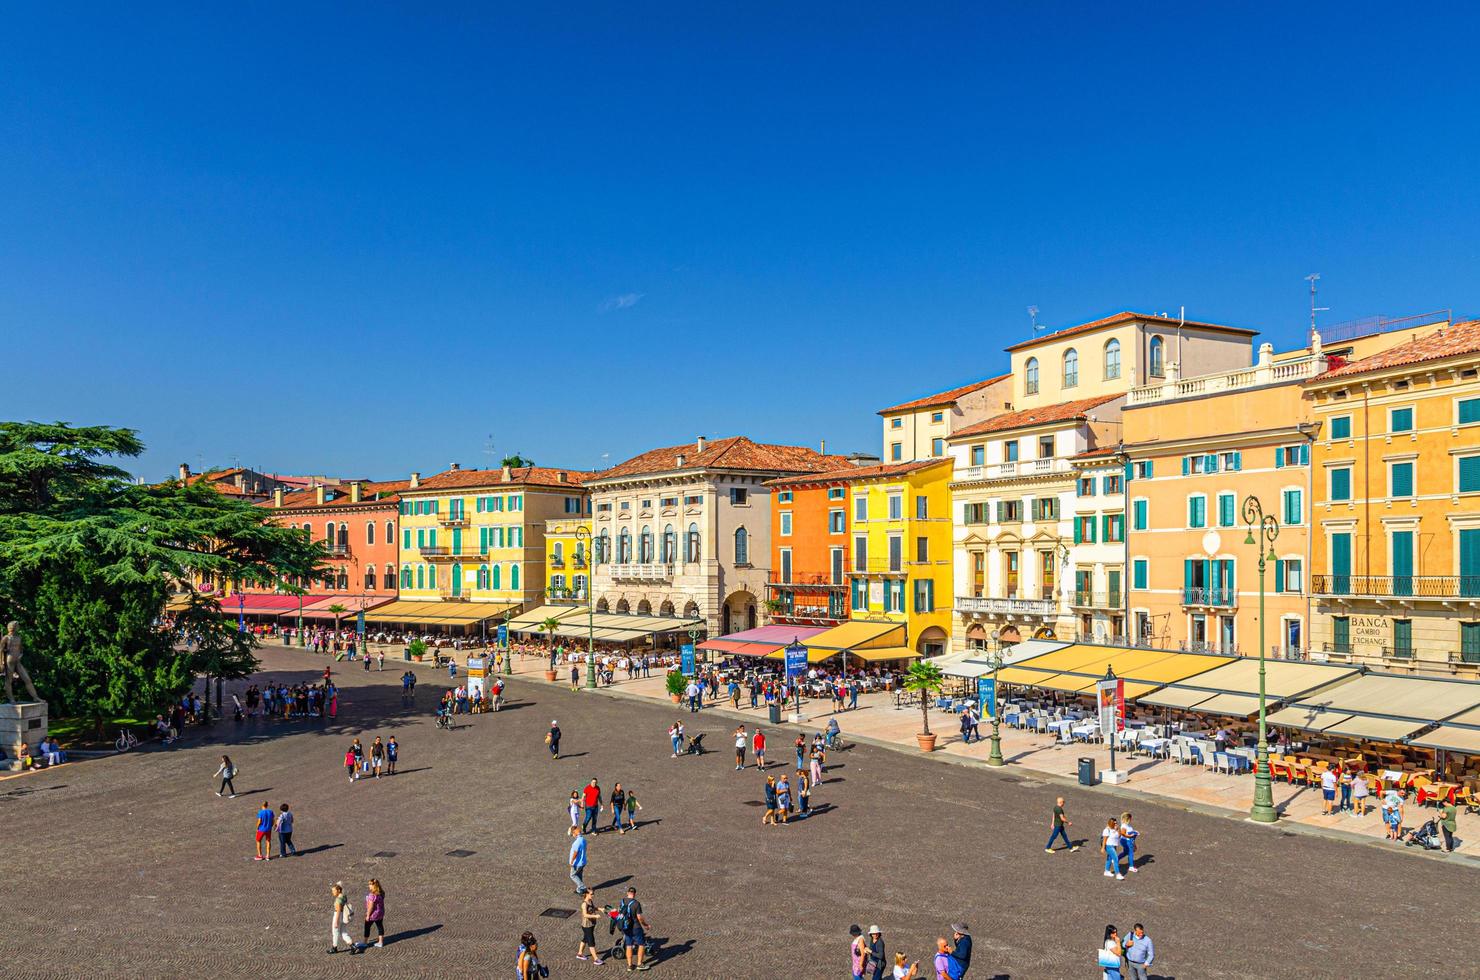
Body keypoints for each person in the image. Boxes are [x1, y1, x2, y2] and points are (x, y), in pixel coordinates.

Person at [618, 886, 650, 972]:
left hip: (626, 927)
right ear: (635, 894)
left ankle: (630, 965)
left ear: (627, 893)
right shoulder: (636, 904)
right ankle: (639, 964)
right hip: (636, 927)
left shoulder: (622, 901)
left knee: (628, 945)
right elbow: (639, 917)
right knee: (641, 944)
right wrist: (645, 925)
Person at [577, 888, 605, 964]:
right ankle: (596, 959)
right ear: (587, 894)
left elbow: (593, 908)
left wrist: (600, 909)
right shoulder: (584, 904)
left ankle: (579, 954)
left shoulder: (590, 901)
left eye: (593, 893)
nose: (593, 895)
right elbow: (585, 915)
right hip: (587, 926)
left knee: (585, 938)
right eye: (591, 894)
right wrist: (595, 916)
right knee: (591, 941)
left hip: (591, 924)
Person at [327, 881, 354, 954]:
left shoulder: (338, 900)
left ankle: (334, 948)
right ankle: (352, 946)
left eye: (334, 891)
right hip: (344, 916)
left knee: (335, 932)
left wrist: (336, 921)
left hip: (338, 916)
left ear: (338, 890)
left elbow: (338, 911)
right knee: (344, 932)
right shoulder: (344, 896)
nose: (332, 892)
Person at [362, 879, 385, 949]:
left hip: (373, 914)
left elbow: (371, 907)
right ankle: (380, 942)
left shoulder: (372, 895)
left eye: (370, 884)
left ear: (374, 886)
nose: (368, 886)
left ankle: (365, 942)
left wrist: (368, 915)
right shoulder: (381, 893)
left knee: (367, 926)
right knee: (380, 926)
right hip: (380, 912)